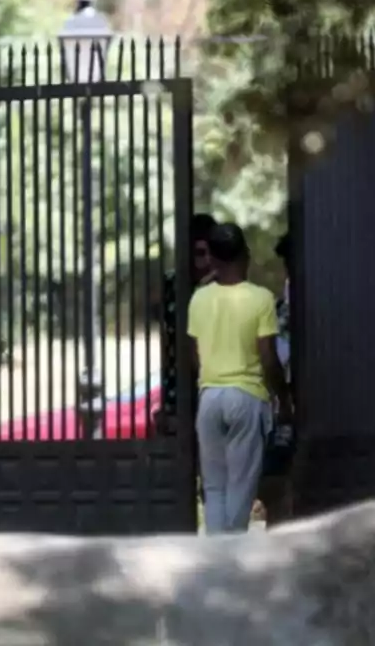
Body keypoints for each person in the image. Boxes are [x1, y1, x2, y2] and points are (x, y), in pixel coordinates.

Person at [187, 223, 290, 534]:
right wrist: (283, 399)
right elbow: (269, 357)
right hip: (246, 397)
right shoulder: (260, 299)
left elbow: (195, 354)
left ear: (213, 260)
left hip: (209, 398)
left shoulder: (199, 299)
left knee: (214, 487)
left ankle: (216, 556)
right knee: (241, 486)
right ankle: (233, 554)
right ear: (245, 256)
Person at [155, 213, 218, 435]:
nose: (207, 260)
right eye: (200, 253)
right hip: (177, 383)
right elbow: (165, 339)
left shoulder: (222, 286)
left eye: (212, 252)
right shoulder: (172, 284)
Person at [257, 232, 295, 526]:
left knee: (279, 484)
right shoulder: (281, 308)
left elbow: (274, 357)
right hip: (288, 410)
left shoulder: (281, 310)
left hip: (286, 409)